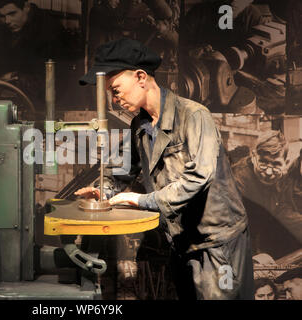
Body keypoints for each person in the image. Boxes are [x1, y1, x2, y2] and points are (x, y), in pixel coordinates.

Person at [76, 38, 254, 300]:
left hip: (217, 245)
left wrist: (142, 200)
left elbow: (198, 178)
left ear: (140, 77)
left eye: (115, 90)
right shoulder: (141, 125)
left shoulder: (194, 116)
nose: (114, 100)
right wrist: (103, 191)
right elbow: (121, 170)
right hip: (182, 243)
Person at [232, 131, 302, 259]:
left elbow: (283, 211)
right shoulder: (237, 181)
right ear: (253, 156)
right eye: (263, 162)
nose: (269, 172)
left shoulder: (283, 179)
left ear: (286, 162)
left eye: (276, 164)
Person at [0, 0, 70, 105]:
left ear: (26, 7)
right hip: (25, 90)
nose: (7, 21)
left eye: (12, 14)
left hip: (51, 99)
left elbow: (54, 79)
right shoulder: (12, 27)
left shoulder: (48, 30)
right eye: (2, 16)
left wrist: (16, 76)